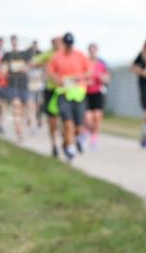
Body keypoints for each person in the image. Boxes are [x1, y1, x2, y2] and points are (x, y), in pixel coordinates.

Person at [46, 32, 91, 162]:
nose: (69, 47)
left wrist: (78, 77)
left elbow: (88, 71)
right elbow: (50, 72)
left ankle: (70, 142)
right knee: (67, 123)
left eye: (70, 44)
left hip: (78, 94)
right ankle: (70, 149)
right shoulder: (56, 56)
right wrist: (58, 80)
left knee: (78, 127)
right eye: (67, 44)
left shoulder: (80, 55)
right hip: (63, 93)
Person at [34, 37, 63, 157]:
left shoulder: (66, 54)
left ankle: (65, 139)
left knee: (65, 118)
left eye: (59, 42)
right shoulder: (48, 54)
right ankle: (54, 145)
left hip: (64, 90)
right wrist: (44, 64)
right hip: (50, 89)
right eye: (54, 42)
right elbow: (34, 62)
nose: (57, 44)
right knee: (52, 121)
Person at [2, 34, 33, 143]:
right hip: (12, 85)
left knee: (25, 109)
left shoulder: (24, 54)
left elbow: (29, 67)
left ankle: (24, 125)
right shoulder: (7, 55)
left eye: (15, 41)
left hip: (23, 85)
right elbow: (3, 69)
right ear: (11, 42)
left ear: (17, 42)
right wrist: (6, 69)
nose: (14, 43)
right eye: (12, 41)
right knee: (16, 107)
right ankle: (19, 134)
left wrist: (23, 68)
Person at [84, 43, 110, 151]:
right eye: (91, 50)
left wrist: (102, 77)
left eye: (94, 50)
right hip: (86, 92)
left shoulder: (102, 64)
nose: (92, 52)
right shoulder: (85, 63)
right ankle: (87, 130)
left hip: (98, 92)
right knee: (88, 118)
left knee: (97, 116)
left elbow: (107, 78)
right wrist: (86, 81)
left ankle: (94, 139)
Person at [26, 42, 44, 132]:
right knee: (30, 106)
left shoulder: (41, 57)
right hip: (31, 88)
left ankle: (38, 119)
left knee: (38, 106)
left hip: (39, 88)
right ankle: (31, 122)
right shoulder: (28, 56)